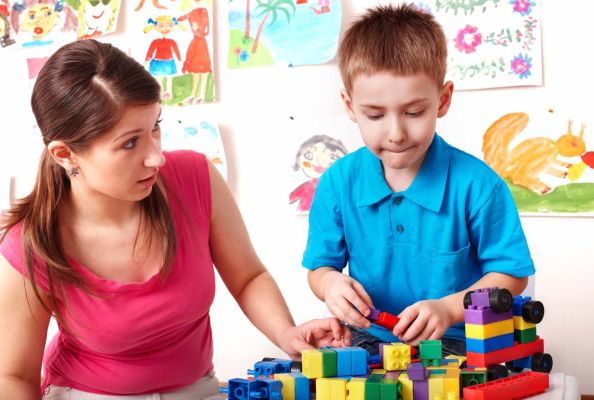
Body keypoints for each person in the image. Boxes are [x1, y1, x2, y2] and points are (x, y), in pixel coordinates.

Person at [0, 39, 350, 399]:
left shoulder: (195, 177)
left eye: (155, 126)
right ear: (65, 154)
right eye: (130, 143)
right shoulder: (30, 244)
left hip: (198, 389)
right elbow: (12, 378)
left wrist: (286, 332)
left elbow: (248, 277)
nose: (157, 157)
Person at [302, 4, 535, 356]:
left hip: (460, 339)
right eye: (375, 115)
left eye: (414, 112)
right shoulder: (337, 183)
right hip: (371, 338)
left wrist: (449, 308)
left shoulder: (479, 186)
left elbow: (512, 276)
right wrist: (330, 284)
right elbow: (320, 269)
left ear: (442, 100)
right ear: (350, 106)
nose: (396, 133)